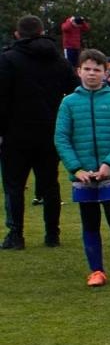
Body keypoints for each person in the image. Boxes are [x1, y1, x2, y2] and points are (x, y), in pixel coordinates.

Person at [54, 50, 110, 286]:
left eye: (96, 69)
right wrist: (76, 168)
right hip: (83, 175)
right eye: (87, 69)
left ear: (104, 72)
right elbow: (61, 138)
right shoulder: (68, 103)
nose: (91, 74)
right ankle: (96, 271)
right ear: (79, 71)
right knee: (90, 222)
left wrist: (109, 163)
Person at [1, 15, 77, 249]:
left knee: (14, 185)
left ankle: (16, 234)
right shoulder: (57, 59)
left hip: (16, 132)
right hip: (49, 130)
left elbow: (2, 99)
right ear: (42, 31)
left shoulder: (9, 59)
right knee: (50, 183)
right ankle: (52, 233)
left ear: (17, 34)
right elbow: (73, 88)